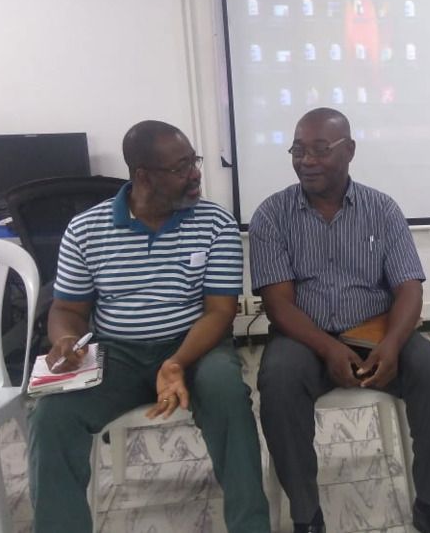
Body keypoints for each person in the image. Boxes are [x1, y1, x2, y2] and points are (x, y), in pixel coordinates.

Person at [28, 121, 271, 532]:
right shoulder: (86, 229)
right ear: (143, 176)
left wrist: (176, 363)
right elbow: (67, 308)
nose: (194, 174)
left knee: (228, 395)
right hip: (116, 352)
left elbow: (219, 312)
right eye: (180, 168)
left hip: (195, 346)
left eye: (193, 161)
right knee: (51, 417)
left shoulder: (215, 223)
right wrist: (66, 338)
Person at [249, 108, 430, 533]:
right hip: (303, 336)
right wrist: (329, 348)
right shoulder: (271, 214)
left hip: (374, 330)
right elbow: (278, 305)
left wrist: (393, 344)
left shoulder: (382, 209)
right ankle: (306, 515)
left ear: (349, 150)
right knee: (278, 380)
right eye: (298, 150)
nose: (306, 160)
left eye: (320, 150)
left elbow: (409, 288)